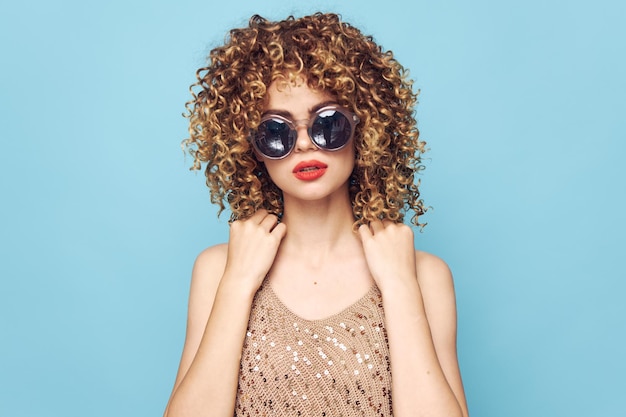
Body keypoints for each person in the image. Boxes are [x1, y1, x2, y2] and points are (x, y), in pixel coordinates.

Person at [164, 12, 469, 417]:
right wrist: (239, 282)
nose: (306, 144)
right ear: (250, 147)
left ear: (365, 128)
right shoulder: (218, 270)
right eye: (277, 131)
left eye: (327, 123)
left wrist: (398, 285)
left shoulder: (423, 275)